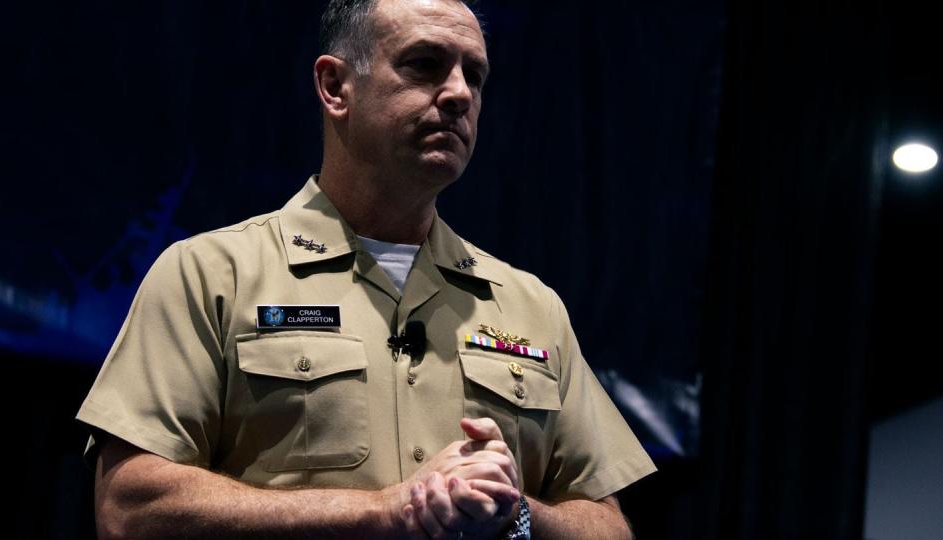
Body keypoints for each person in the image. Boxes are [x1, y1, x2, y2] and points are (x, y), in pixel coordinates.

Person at [77, 0, 656, 538]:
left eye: (474, 75)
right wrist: (382, 511)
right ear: (335, 86)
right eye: (425, 65)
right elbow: (130, 508)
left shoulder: (533, 307)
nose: (458, 93)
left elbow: (609, 526)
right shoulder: (210, 275)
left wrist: (517, 513)